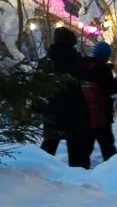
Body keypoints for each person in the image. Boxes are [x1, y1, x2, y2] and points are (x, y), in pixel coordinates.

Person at [39, 27, 95, 169]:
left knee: (50, 143)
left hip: (52, 107)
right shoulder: (76, 59)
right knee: (77, 146)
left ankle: (38, 170)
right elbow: (87, 78)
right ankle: (79, 176)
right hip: (74, 108)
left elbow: (38, 84)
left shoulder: (46, 60)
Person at [82, 40, 117, 164]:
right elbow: (111, 89)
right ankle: (113, 169)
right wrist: (116, 81)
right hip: (101, 115)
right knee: (107, 146)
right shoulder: (103, 69)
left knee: (85, 148)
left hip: (85, 114)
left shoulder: (84, 66)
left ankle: (81, 173)